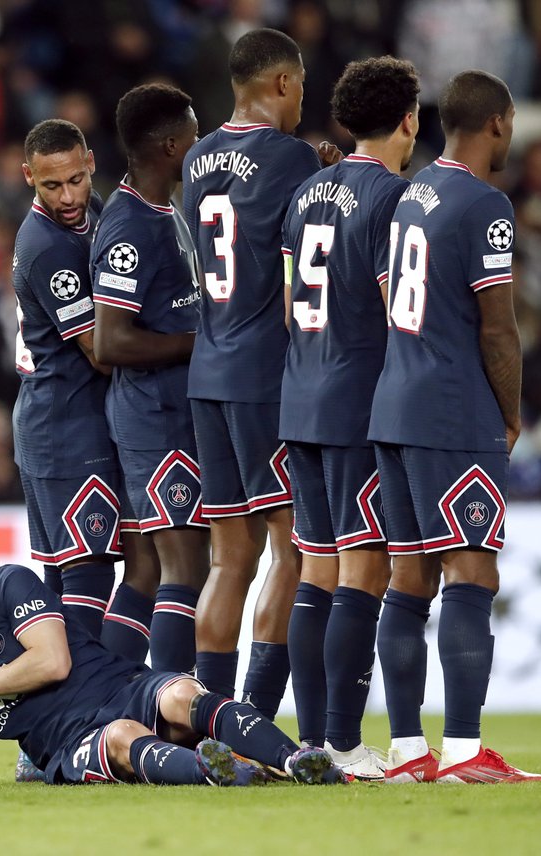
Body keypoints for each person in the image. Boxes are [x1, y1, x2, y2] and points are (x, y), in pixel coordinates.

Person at [368, 69, 541, 784]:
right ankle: (467, 753)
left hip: (394, 404)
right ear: (498, 123)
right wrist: (511, 411)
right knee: (472, 572)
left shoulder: (411, 194)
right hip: (452, 408)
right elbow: (498, 328)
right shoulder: (486, 204)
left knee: (408, 579)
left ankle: (408, 751)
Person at [0, 533, 343, 786]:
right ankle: (223, 772)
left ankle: (297, 760)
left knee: (182, 693)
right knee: (121, 736)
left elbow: (52, 661)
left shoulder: (6, 585)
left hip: (122, 685)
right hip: (70, 741)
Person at [181, 27, 339, 718]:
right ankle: (254, 721)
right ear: (281, 83)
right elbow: (301, 269)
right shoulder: (290, 156)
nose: (303, 100)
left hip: (207, 370)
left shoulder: (196, 158)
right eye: (301, 86)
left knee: (228, 559)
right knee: (294, 549)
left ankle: (211, 721)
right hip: (264, 377)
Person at [279, 57, 420, 780]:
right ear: (409, 121)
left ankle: (312, 741)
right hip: (358, 405)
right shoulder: (395, 198)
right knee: (363, 569)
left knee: (316, 570)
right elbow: (403, 312)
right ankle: (340, 743)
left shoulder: (305, 192)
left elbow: (288, 305)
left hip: (299, 398)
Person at [12, 118, 159, 662]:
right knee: (88, 577)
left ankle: (56, 711)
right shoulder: (47, 247)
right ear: (28, 176)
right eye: (52, 186)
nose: (69, 197)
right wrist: (186, 346)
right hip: (66, 428)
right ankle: (88, 702)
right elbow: (101, 352)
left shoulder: (90, 212)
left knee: (64, 580)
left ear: (91, 162)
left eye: (75, 179)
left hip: (56, 422)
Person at [91, 84, 207, 675]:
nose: (200, 144)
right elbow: (110, 342)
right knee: (184, 567)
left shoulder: (168, 210)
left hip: (171, 412)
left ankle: (109, 703)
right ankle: (176, 706)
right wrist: (199, 344)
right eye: (194, 134)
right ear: (170, 146)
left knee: (151, 571)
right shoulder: (130, 225)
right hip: (154, 418)